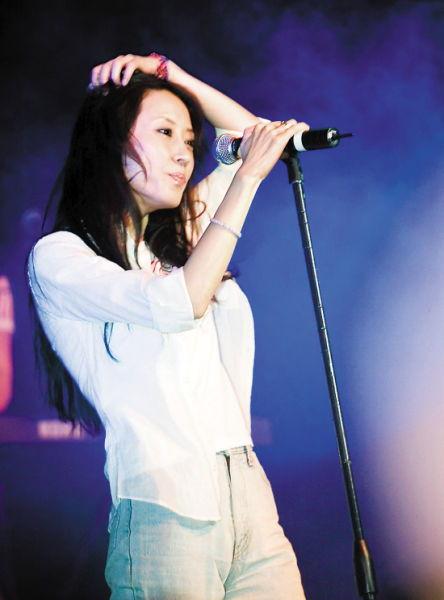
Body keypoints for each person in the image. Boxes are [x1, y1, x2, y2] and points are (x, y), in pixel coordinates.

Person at [28, 52, 309, 599]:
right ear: (110, 143)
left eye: (189, 139)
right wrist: (245, 179)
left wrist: (168, 73)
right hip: (165, 506)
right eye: (165, 133)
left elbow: (255, 137)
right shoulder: (60, 257)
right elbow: (181, 302)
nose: (185, 153)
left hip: (248, 495)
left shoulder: (177, 240)